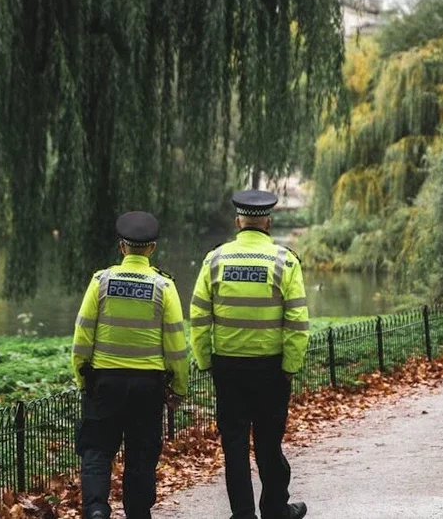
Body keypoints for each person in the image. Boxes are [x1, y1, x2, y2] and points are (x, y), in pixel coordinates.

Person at [190, 190, 310, 519]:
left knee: (235, 445)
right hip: (271, 368)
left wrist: (206, 361)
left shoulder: (215, 260)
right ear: (268, 223)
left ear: (237, 222)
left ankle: (242, 514)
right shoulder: (285, 261)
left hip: (228, 368)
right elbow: (297, 321)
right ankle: (274, 509)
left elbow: (199, 318)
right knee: (269, 443)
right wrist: (289, 367)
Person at [72, 211, 189, 519]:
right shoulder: (164, 287)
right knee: (141, 452)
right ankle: (138, 512)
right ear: (151, 248)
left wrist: (83, 376)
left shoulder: (101, 281)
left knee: (96, 449)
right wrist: (178, 387)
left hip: (104, 382)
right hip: (147, 387)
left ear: (122, 247)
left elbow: (83, 334)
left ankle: (96, 509)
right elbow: (176, 344)